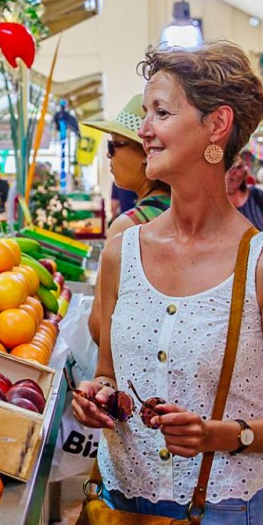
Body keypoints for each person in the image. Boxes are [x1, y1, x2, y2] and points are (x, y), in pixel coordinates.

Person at [72, 42, 263, 525]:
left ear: (217, 126)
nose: (143, 129)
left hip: (219, 520)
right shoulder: (121, 252)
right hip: (116, 510)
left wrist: (224, 435)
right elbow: (107, 372)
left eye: (161, 112)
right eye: (146, 113)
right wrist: (96, 397)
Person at [82, 94, 172, 343]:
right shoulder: (183, 211)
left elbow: (100, 326)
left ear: (146, 151)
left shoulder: (129, 225)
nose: (109, 156)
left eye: (114, 146)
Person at [226, 153, 263, 232]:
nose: (234, 173)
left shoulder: (256, 194)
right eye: (228, 168)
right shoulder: (211, 203)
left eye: (239, 167)